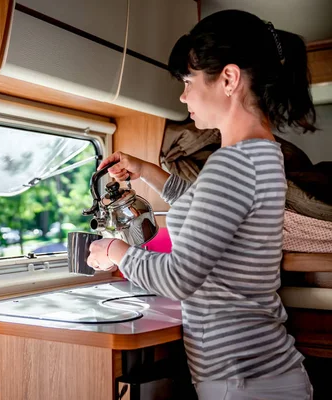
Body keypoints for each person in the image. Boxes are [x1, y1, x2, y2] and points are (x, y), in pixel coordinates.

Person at [86, 9, 316, 400]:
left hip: (244, 382)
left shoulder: (232, 163)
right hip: (262, 374)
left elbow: (178, 279)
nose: (183, 95)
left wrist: (114, 250)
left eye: (189, 81)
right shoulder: (261, 153)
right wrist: (146, 170)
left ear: (228, 79)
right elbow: (207, 207)